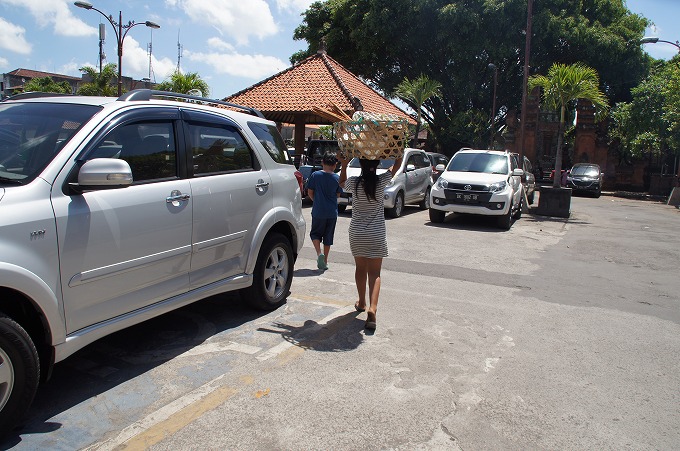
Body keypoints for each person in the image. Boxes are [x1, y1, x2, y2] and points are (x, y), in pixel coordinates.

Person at [338, 154, 403, 330]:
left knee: (360, 269)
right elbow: (395, 167)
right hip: (376, 233)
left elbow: (341, 182)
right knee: (375, 273)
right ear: (377, 164)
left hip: (357, 233)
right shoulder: (382, 181)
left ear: (360, 164)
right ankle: (373, 309)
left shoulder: (354, 183)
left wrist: (344, 164)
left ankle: (361, 302)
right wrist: (397, 155)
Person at [306, 151, 342, 270]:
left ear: (322, 162)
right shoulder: (337, 178)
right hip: (332, 212)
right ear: (335, 165)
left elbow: (310, 192)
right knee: (328, 237)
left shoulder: (315, 175)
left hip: (318, 211)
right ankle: (325, 260)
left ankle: (319, 254)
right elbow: (337, 194)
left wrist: (316, 200)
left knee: (315, 233)